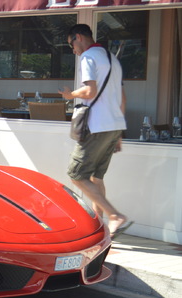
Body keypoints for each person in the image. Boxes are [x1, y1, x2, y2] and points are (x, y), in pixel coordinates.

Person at [58, 24, 132, 239]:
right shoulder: (113, 59)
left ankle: (114, 215)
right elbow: (122, 98)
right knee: (96, 178)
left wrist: (70, 95)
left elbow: (90, 91)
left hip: (97, 126)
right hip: (113, 126)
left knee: (77, 175)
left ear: (78, 37)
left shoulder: (88, 57)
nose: (73, 50)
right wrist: (118, 132)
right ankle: (100, 225)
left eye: (71, 44)